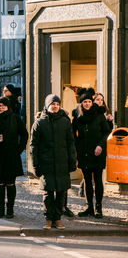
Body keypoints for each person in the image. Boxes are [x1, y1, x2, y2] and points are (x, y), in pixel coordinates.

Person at [30, 94, 76, 230]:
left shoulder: (65, 121)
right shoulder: (39, 122)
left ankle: (58, 218)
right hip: (46, 163)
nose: (55, 106)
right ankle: (49, 219)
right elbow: (34, 146)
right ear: (47, 106)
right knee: (48, 193)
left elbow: (70, 143)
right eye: (52, 104)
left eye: (57, 104)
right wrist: (35, 165)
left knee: (61, 192)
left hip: (62, 162)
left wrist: (72, 161)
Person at [0, 97, 28, 218]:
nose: (0, 107)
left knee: (10, 183)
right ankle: (1, 209)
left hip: (11, 156)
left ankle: (10, 209)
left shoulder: (14, 118)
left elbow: (24, 134)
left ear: (7, 106)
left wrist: (19, 149)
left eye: (3, 105)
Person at [72, 91, 110, 219]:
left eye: (89, 101)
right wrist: (77, 147)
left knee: (98, 180)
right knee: (87, 181)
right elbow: (72, 134)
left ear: (91, 102)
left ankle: (98, 207)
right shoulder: (77, 116)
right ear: (81, 104)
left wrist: (100, 145)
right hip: (84, 153)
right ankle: (89, 207)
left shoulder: (99, 114)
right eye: (84, 102)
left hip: (97, 151)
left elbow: (106, 133)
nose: (87, 104)